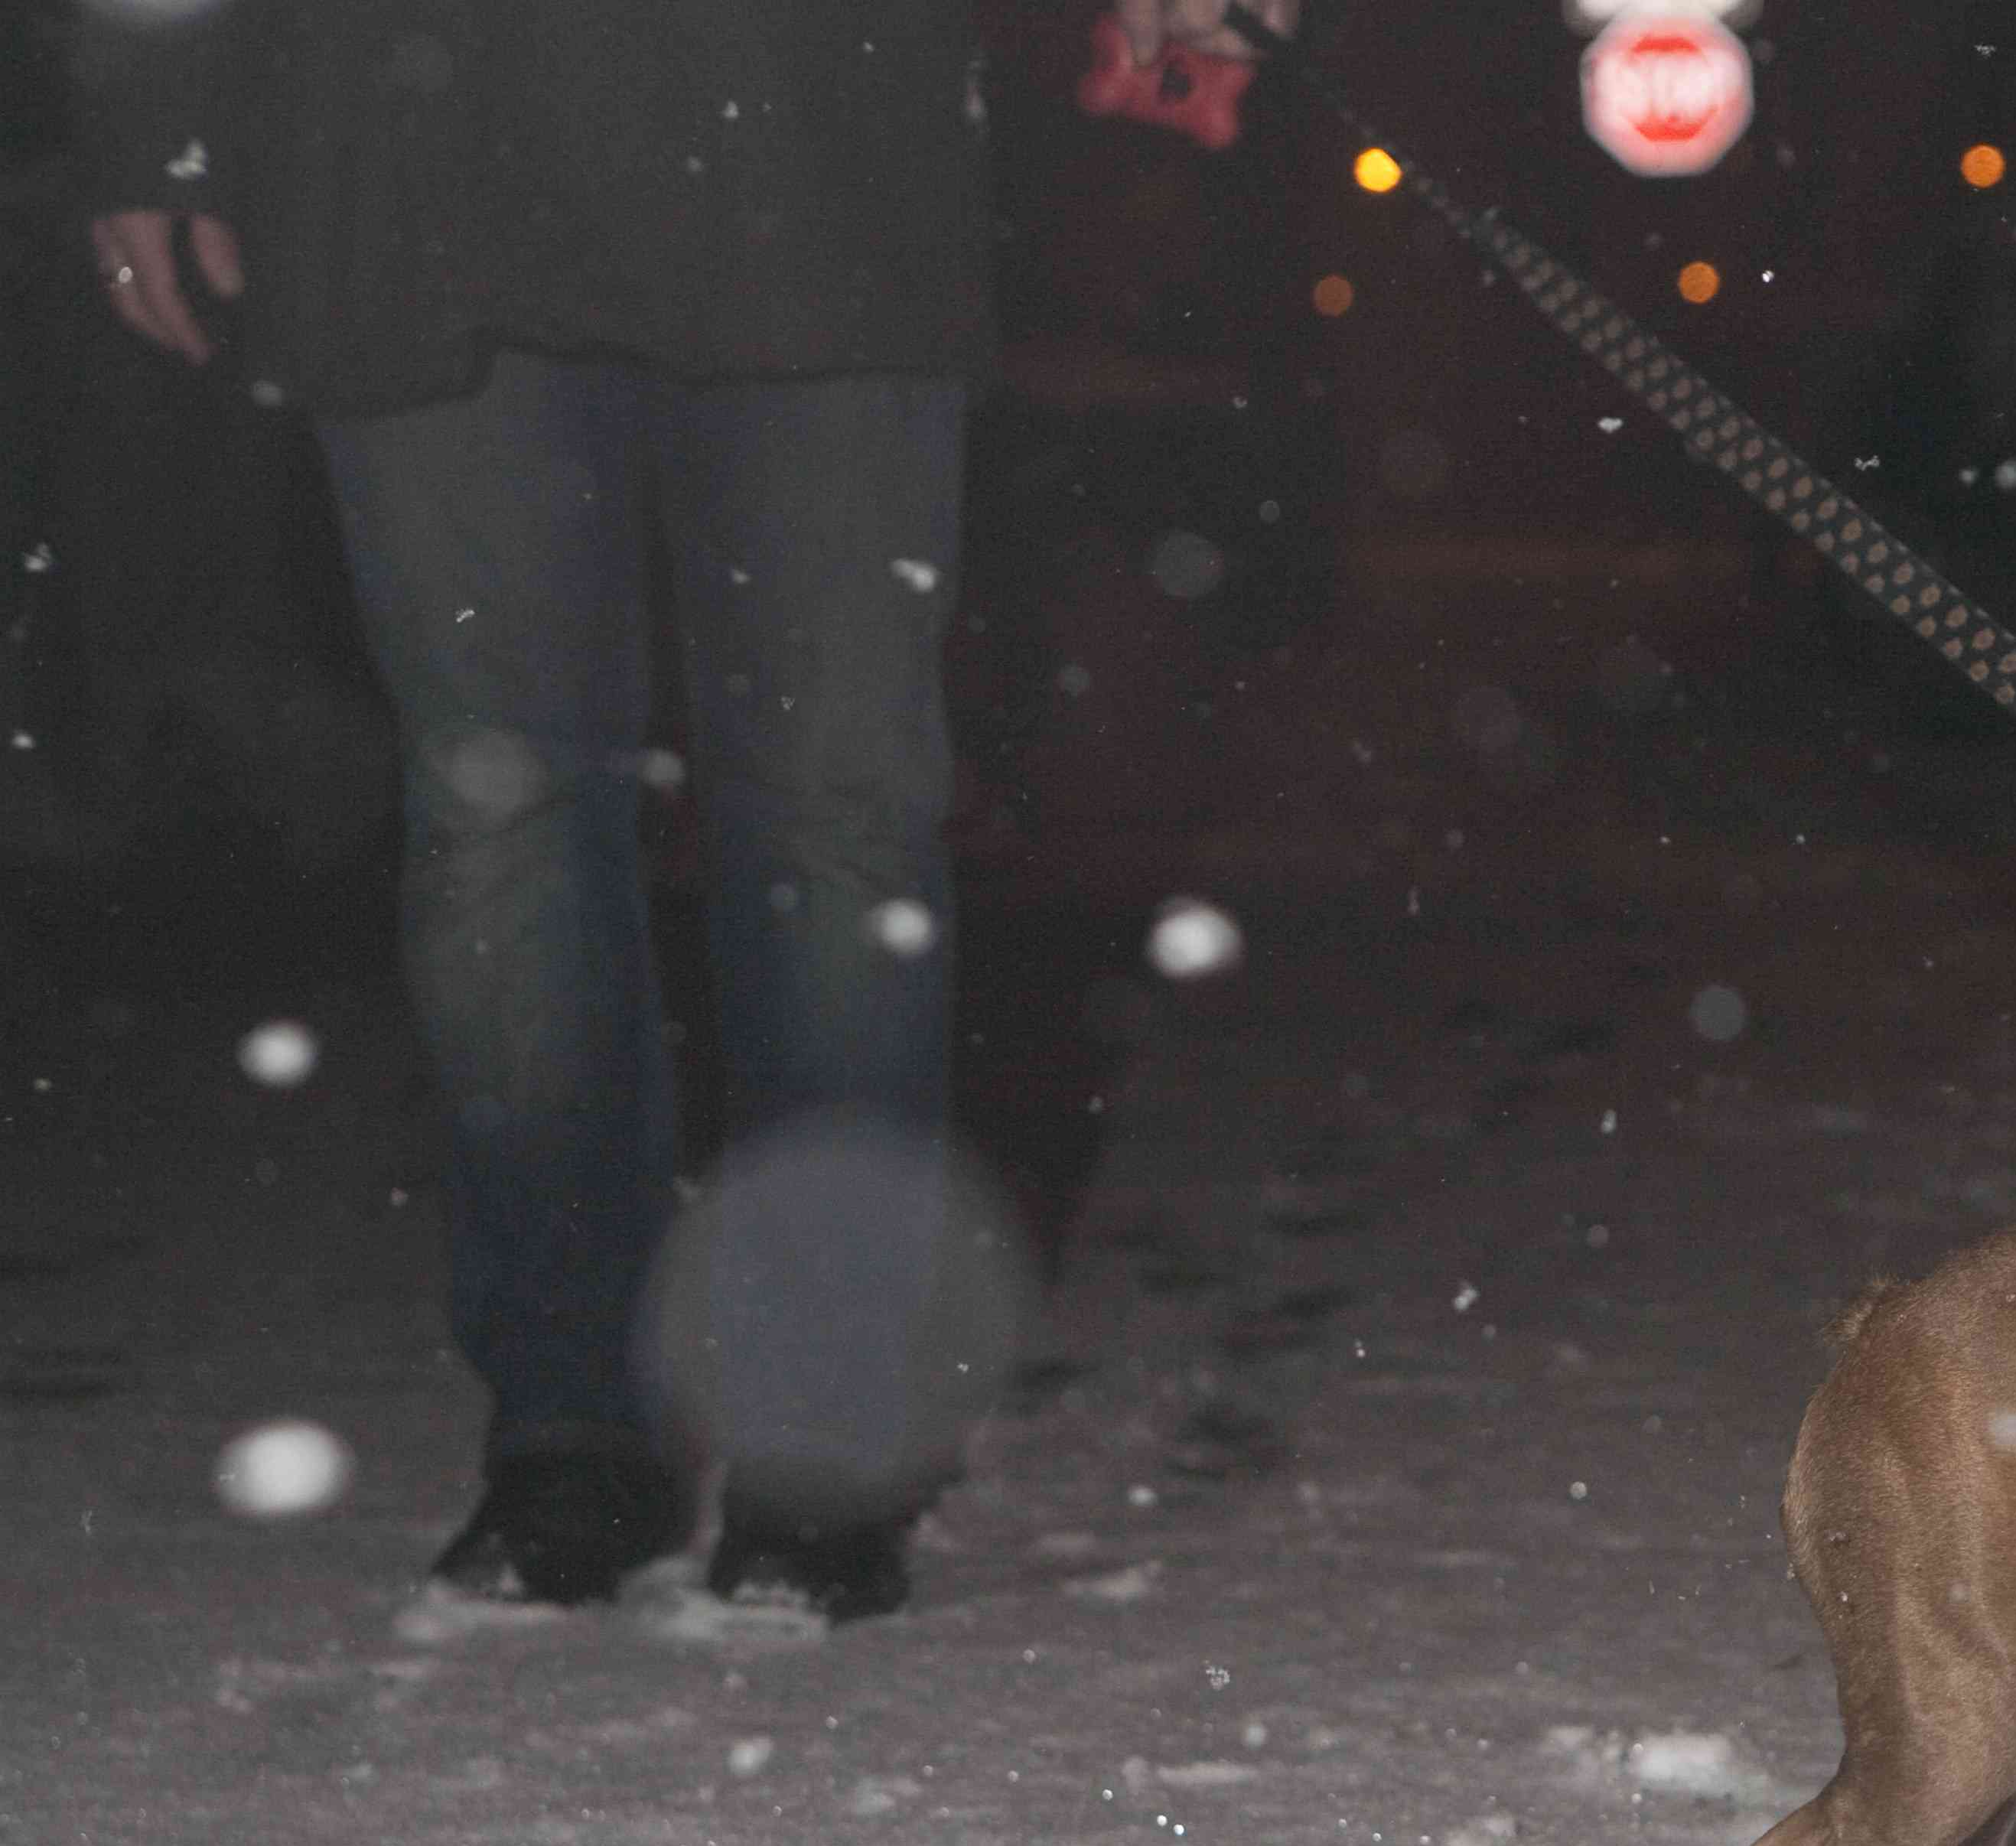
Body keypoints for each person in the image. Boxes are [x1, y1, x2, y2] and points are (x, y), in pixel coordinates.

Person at [78, 0, 1287, 1622]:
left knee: (834, 811)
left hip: (814, 127)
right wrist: (149, 88)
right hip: (407, 145)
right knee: (501, 803)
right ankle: (569, 1419)